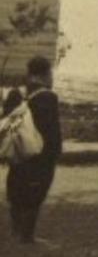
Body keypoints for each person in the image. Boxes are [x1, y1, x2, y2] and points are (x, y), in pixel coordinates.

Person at [5, 56, 62, 244]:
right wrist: (54, 154)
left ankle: (16, 232)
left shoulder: (16, 94)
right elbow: (51, 131)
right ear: (46, 74)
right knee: (34, 196)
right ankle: (27, 237)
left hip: (18, 152)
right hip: (40, 156)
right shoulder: (48, 97)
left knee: (17, 192)